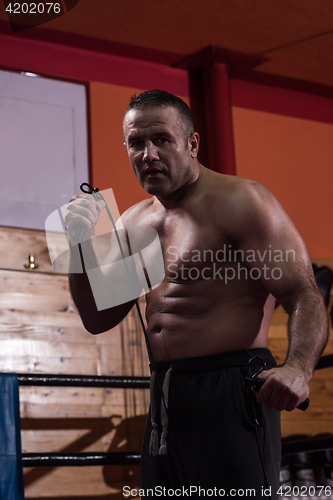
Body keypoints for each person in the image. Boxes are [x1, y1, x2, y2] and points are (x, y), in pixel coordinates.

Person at [65, 90, 329, 499]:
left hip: (232, 386)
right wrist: (79, 248)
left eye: (162, 139)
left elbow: (304, 294)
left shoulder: (241, 201)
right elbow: (98, 318)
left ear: (192, 143)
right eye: (137, 143)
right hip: (167, 393)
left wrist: (298, 367)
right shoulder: (135, 221)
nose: (148, 153)